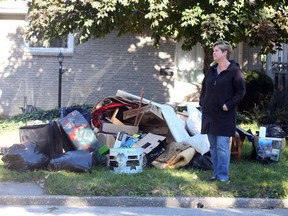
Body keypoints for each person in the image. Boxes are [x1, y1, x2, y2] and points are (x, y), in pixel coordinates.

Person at [199, 41, 246, 182]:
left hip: (225, 115)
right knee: (213, 147)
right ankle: (216, 174)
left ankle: (223, 177)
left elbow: (241, 92)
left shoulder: (235, 71)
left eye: (216, 51)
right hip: (209, 114)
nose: (213, 53)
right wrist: (202, 102)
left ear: (225, 53)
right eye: (214, 50)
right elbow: (204, 88)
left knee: (222, 147)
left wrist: (228, 105)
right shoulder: (211, 70)